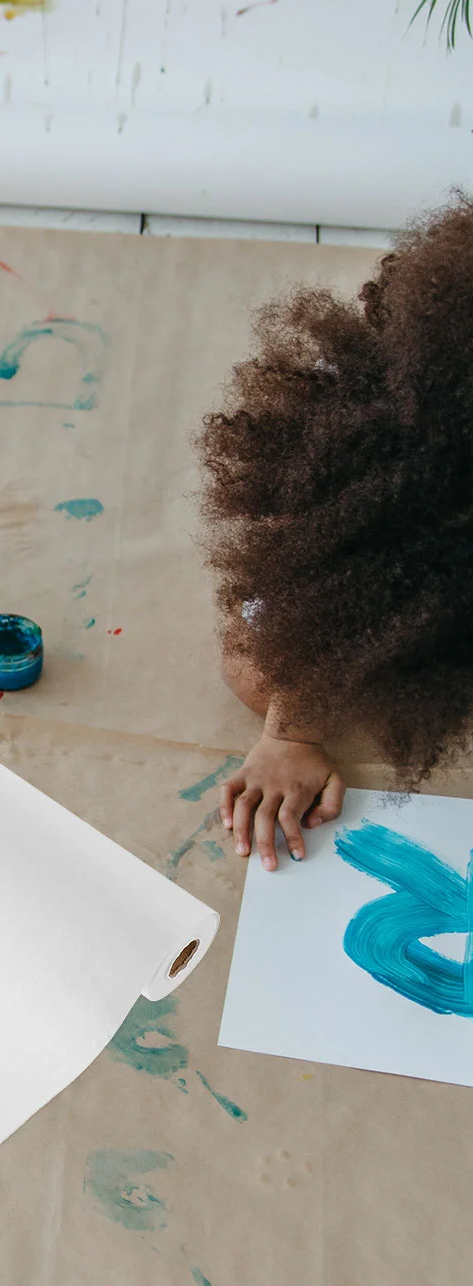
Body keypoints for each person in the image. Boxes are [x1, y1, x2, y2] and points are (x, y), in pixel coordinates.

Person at [198, 194, 473, 871]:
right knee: (256, 666)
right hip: (406, 562)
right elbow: (301, 601)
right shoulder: (371, 441)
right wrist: (290, 735)